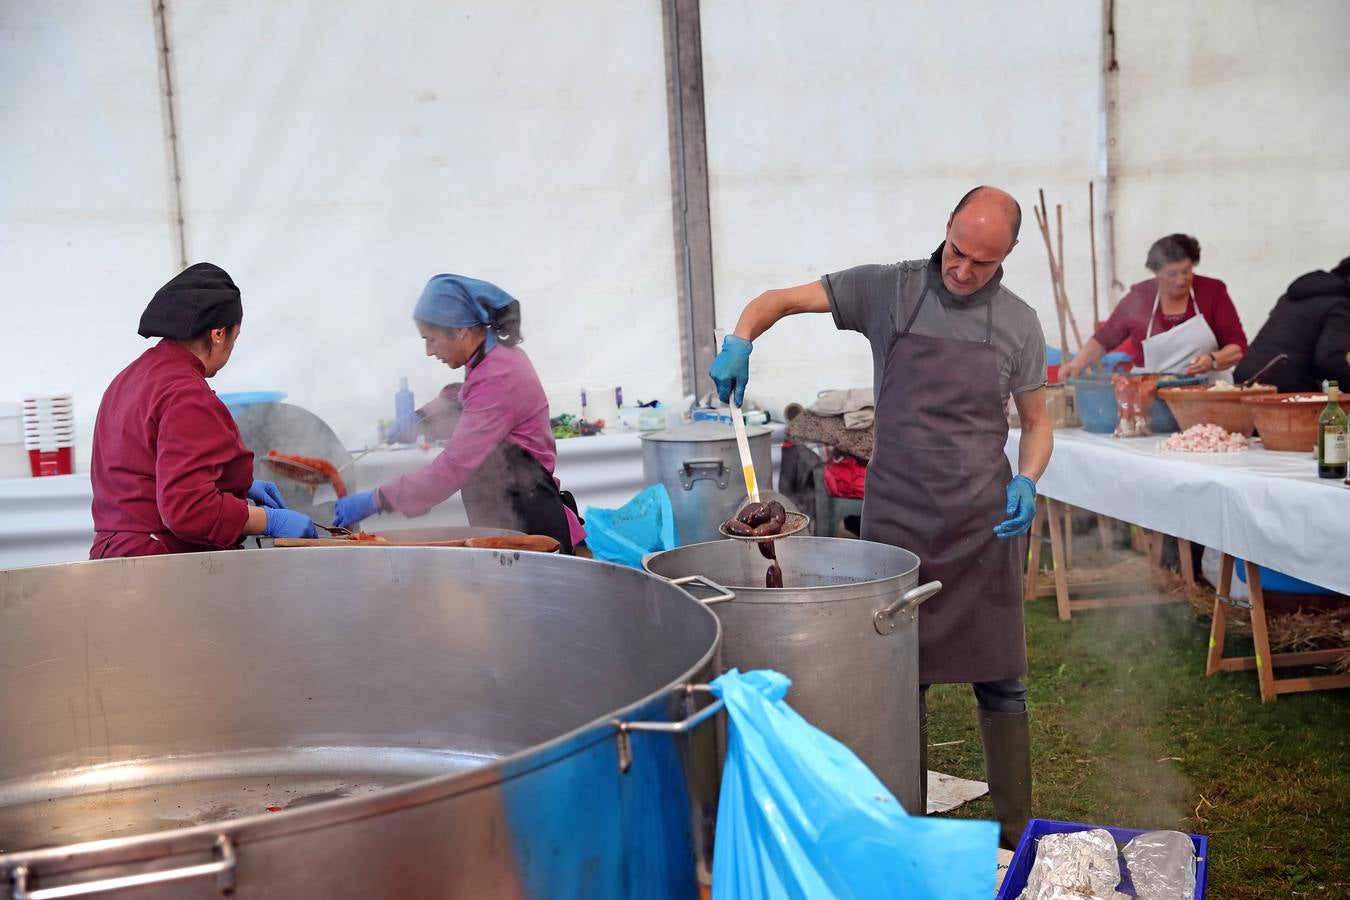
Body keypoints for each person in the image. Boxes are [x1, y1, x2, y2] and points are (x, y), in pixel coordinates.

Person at [708, 186, 1053, 848]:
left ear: (1008, 252)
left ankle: (1016, 832)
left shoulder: (1019, 323)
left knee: (1001, 681)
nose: (961, 270)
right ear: (945, 226)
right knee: (901, 679)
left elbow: (1038, 426)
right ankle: (905, 826)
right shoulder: (886, 291)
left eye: (981, 262)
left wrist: (1029, 480)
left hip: (982, 522)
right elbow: (775, 302)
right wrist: (739, 340)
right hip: (899, 522)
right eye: (956, 251)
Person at [333, 275, 585, 553]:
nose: (429, 351)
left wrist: (378, 499)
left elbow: (452, 468)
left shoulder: (499, 374)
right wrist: (421, 419)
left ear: (461, 331)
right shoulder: (492, 359)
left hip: (529, 520)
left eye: (431, 339)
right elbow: (463, 398)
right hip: (506, 513)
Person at [90, 263, 316, 559]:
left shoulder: (129, 378)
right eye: (236, 336)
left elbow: (148, 472)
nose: (233, 346)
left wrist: (234, 490)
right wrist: (268, 520)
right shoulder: (186, 393)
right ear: (218, 334)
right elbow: (188, 509)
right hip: (158, 566)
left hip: (114, 557)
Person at [1059, 234, 1248, 379]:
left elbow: (1237, 347)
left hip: (1204, 394)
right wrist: (1077, 364)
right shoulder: (1141, 296)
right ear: (1156, 273)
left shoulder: (1212, 291)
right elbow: (1105, 338)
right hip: (1149, 395)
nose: (1181, 280)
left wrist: (1213, 360)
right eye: (1172, 274)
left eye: (1186, 271)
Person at [1233, 256, 1350, 392]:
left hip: (1247, 377)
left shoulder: (1300, 293)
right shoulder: (1341, 304)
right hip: (1284, 388)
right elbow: (1329, 360)